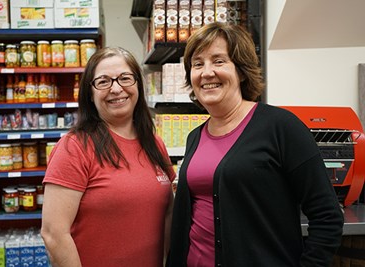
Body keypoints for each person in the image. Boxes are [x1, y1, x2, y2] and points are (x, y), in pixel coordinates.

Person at [167, 22, 344, 267]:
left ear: (240, 71)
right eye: (198, 64)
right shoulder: (195, 137)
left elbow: (327, 215)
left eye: (219, 61)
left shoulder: (280, 127)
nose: (206, 72)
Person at [41, 47, 176, 267]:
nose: (116, 88)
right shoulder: (74, 147)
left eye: (125, 78)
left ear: (138, 86)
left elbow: (168, 211)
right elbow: (53, 234)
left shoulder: (154, 143)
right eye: (103, 82)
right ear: (90, 95)